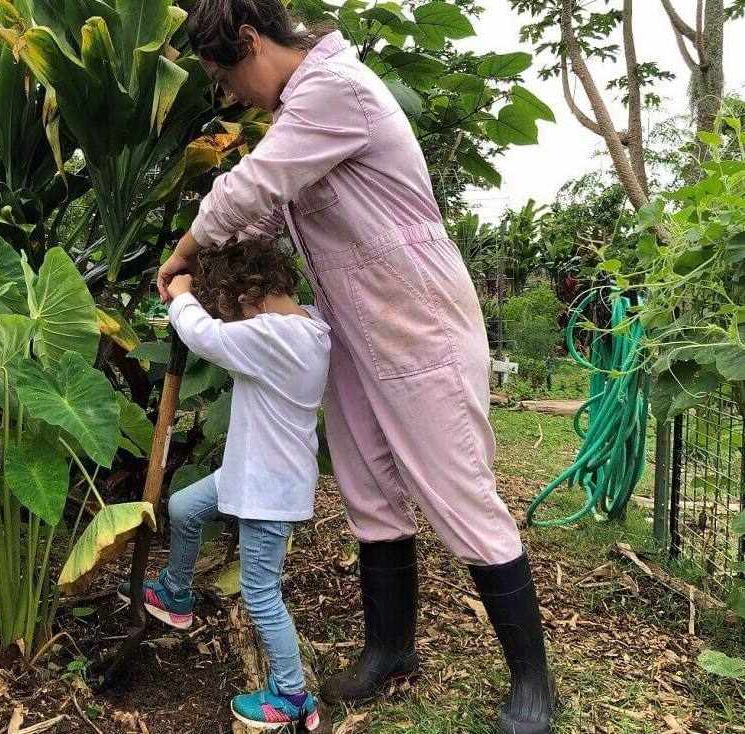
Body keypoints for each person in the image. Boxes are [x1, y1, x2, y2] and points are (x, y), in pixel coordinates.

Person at [154, 2, 558, 733]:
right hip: (352, 326)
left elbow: (252, 187)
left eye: (224, 75)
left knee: (458, 489)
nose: (231, 94)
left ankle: (533, 684)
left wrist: (183, 251)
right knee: (368, 489)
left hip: (415, 320)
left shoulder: (335, 88)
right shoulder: (302, 114)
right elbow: (268, 210)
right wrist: (212, 271)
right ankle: (388, 650)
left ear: (249, 41)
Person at [121, 239, 331, 730]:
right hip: (248, 469)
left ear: (245, 303)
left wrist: (183, 293)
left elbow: (205, 337)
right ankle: (175, 595)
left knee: (260, 592)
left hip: (268, 489)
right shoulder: (311, 326)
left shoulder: (276, 337)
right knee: (185, 506)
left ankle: (291, 695)